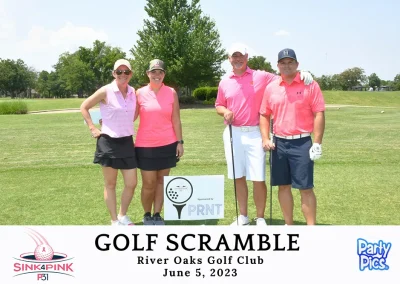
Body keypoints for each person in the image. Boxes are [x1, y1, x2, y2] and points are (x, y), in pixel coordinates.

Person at [215, 43, 313, 226]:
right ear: (229, 59)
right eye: (233, 56)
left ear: (246, 58)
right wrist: (224, 111)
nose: (237, 59)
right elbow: (219, 104)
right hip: (233, 133)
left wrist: (302, 74)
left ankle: (260, 217)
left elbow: (285, 74)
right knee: (238, 176)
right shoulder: (224, 81)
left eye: (240, 56)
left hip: (256, 133)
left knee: (258, 177)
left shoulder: (261, 76)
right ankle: (243, 216)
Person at [259, 48, 325, 225]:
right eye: (283, 63)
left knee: (305, 188)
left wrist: (317, 143)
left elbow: (319, 113)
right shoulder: (271, 87)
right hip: (278, 143)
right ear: (278, 65)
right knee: (283, 186)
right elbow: (264, 114)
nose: (286, 66)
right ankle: (289, 225)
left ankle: (311, 227)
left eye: (290, 62)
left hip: (302, 142)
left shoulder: (310, 84)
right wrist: (265, 138)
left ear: (297, 64)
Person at [80, 59, 137, 226]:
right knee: (110, 183)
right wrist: (92, 128)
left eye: (126, 72)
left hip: (127, 141)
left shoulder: (133, 91)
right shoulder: (106, 91)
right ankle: (114, 221)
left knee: (131, 183)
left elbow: (134, 113)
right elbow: (84, 106)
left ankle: (122, 215)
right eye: (119, 72)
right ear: (114, 73)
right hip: (108, 143)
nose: (123, 75)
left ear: (130, 74)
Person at [135, 59, 184, 225]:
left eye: (160, 72)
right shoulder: (139, 93)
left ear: (164, 74)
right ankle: (147, 214)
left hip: (167, 144)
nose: (157, 75)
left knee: (162, 182)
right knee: (148, 183)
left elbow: (176, 119)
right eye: (153, 72)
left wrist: (180, 142)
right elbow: (130, 116)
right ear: (148, 74)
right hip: (145, 145)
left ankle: (157, 214)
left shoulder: (171, 92)